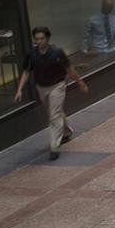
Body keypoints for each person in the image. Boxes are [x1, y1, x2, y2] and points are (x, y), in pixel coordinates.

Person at [13, 26, 87, 162]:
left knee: (53, 115)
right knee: (55, 112)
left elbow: (69, 69)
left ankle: (54, 146)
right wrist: (19, 89)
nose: (39, 41)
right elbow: (26, 72)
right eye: (37, 39)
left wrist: (80, 82)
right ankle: (66, 131)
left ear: (47, 38)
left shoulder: (57, 53)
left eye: (42, 38)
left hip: (57, 85)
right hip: (42, 87)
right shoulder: (32, 55)